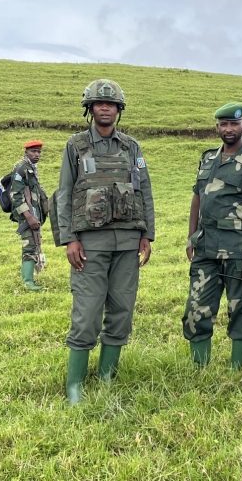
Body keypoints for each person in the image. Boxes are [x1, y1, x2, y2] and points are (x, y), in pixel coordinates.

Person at [55, 80, 155, 405]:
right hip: (89, 246)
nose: (105, 108)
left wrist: (147, 235)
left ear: (118, 110)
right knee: (86, 315)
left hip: (127, 244)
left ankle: (107, 376)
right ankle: (75, 386)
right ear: (90, 108)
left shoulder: (132, 148)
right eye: (99, 104)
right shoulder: (76, 145)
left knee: (122, 311)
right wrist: (69, 239)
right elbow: (64, 194)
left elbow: (144, 190)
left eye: (110, 105)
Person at [183, 102, 242, 370]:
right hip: (206, 248)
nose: (229, 129)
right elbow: (197, 199)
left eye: (234, 124)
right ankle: (199, 368)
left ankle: (238, 369)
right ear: (218, 127)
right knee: (196, 309)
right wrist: (191, 237)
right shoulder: (207, 158)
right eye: (224, 124)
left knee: (241, 309)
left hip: (239, 250)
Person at [10, 140, 48, 291]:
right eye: (33, 151)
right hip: (26, 214)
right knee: (29, 245)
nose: (37, 154)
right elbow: (16, 195)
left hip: (33, 212)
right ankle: (27, 282)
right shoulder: (21, 168)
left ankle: (30, 278)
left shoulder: (31, 168)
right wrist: (29, 216)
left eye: (39, 152)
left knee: (34, 243)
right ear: (26, 152)